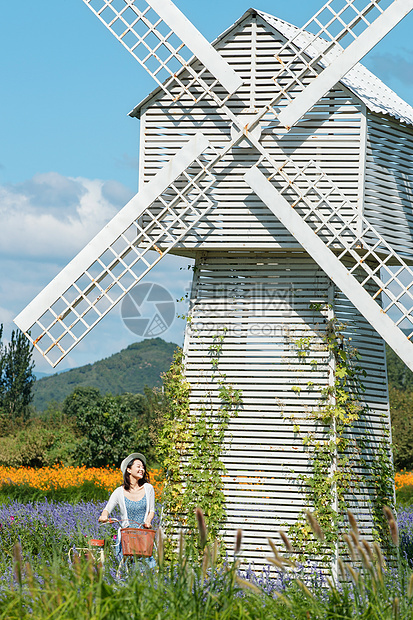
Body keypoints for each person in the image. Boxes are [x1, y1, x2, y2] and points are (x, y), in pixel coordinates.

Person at [99, 452, 155, 566]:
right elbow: (107, 509)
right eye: (138, 466)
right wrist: (104, 516)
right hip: (127, 538)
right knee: (125, 568)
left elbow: (152, 511)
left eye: (143, 467)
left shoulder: (148, 488)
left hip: (143, 537)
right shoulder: (119, 492)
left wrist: (148, 522)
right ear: (129, 470)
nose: (142, 469)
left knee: (147, 569)